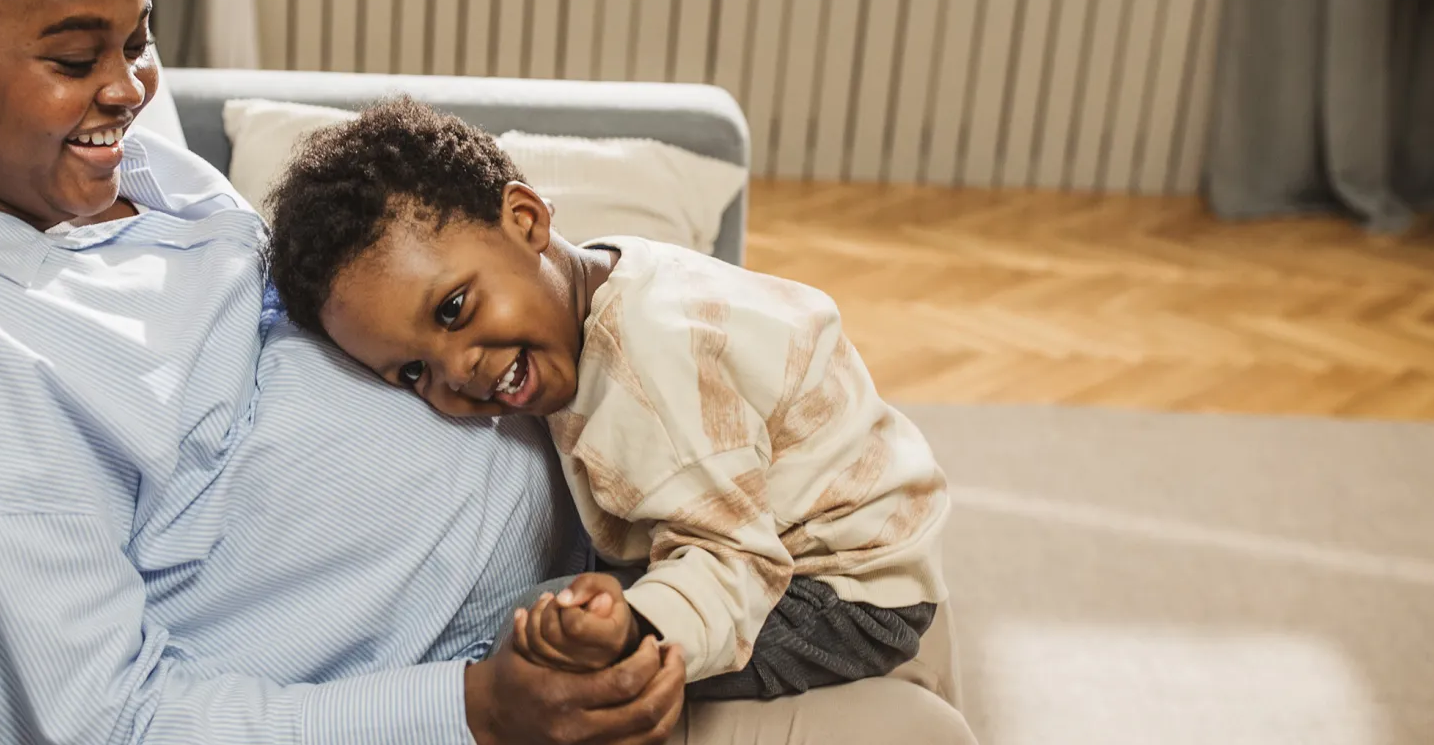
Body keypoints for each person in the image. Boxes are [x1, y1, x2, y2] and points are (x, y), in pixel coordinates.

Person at [0, 0, 982, 745]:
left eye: (140, 41)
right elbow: (114, 733)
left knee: (886, 546)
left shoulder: (103, 160)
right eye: (78, 59)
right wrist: (476, 712)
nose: (130, 92)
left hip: (626, 509)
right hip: (502, 678)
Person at [261, 100, 951, 702]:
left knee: (558, 678)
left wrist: (634, 628)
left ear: (526, 218)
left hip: (845, 591)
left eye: (453, 309)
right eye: (413, 372)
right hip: (801, 514)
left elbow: (738, 564)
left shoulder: (645, 374)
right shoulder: (600, 280)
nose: (458, 371)